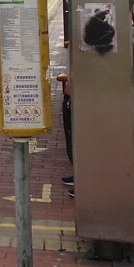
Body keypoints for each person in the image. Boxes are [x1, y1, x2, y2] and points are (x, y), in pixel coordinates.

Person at [56, 40, 74, 198]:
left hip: (77, 99)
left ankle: (84, 181)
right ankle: (79, 177)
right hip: (74, 97)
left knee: (76, 140)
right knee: (73, 141)